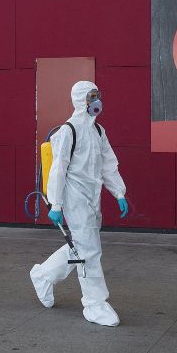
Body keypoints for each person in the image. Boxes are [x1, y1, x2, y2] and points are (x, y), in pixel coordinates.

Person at [30, 81, 129, 327]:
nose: (96, 101)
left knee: (82, 247)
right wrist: (55, 204)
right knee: (90, 252)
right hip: (75, 199)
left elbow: (108, 164)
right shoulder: (69, 131)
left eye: (97, 95)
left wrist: (119, 192)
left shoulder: (98, 132)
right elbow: (58, 170)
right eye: (91, 96)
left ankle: (43, 275)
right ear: (80, 100)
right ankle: (94, 304)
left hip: (92, 199)